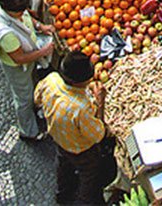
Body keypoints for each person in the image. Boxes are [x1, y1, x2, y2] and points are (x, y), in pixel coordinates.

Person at [35, 51, 114, 204]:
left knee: (63, 165)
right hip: (82, 151)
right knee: (89, 176)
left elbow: (37, 99)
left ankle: (62, 195)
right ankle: (84, 201)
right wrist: (100, 101)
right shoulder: (80, 108)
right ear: (82, 81)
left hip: (59, 139)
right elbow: (98, 135)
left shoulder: (52, 79)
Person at [0, 0, 54, 141]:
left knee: (33, 83)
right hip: (17, 67)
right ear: (9, 10)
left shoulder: (13, 11)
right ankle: (28, 131)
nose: (23, 12)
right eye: (19, 11)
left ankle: (37, 104)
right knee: (23, 97)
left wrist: (40, 26)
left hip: (29, 57)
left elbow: (26, 16)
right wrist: (43, 52)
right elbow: (19, 59)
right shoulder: (4, 32)